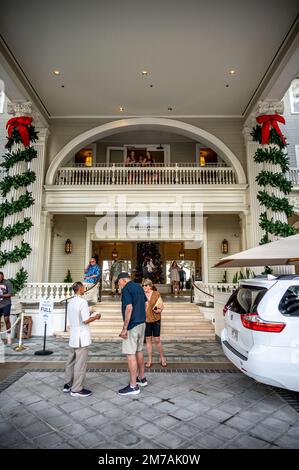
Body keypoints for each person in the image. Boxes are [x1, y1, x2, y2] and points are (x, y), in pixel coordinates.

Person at [64, 281, 101, 397]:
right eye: (83, 288)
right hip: (81, 337)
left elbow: (77, 315)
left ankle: (68, 384)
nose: (84, 289)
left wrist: (90, 312)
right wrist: (96, 317)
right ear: (80, 289)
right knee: (80, 364)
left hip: (73, 335)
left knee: (71, 362)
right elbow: (85, 320)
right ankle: (76, 389)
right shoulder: (83, 302)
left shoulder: (71, 301)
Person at [117, 272, 147, 396]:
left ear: (123, 280)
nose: (119, 286)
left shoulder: (126, 289)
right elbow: (146, 304)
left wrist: (125, 328)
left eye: (119, 283)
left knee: (130, 354)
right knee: (139, 351)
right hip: (142, 323)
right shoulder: (139, 287)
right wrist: (141, 316)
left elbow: (129, 308)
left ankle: (133, 386)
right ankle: (141, 378)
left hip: (132, 326)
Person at [143, 279, 167, 368]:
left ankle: (162, 358)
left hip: (156, 319)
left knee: (157, 340)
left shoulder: (156, 294)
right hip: (146, 320)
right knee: (148, 340)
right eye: (143, 285)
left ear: (150, 286)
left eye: (146, 285)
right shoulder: (142, 295)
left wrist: (159, 310)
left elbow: (161, 306)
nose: (144, 287)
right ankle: (150, 359)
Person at [0, 272, 13, 346]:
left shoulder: (7, 283)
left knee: (6, 319)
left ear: (3, 277)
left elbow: (10, 294)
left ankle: (9, 337)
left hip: (6, 304)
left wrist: (1, 296)